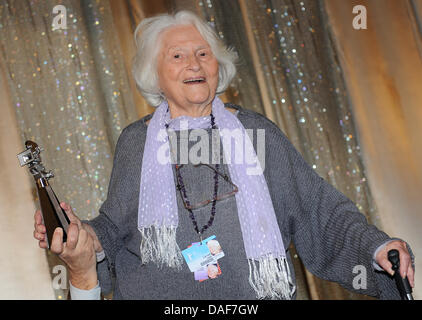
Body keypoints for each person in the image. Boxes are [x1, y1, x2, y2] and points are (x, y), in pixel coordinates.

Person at [33, 10, 414, 300]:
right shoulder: (137, 142)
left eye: (203, 53)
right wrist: (80, 235)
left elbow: (319, 210)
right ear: (155, 75)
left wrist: (376, 247)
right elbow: (114, 229)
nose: (194, 64)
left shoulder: (256, 134)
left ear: (219, 66)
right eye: (177, 56)